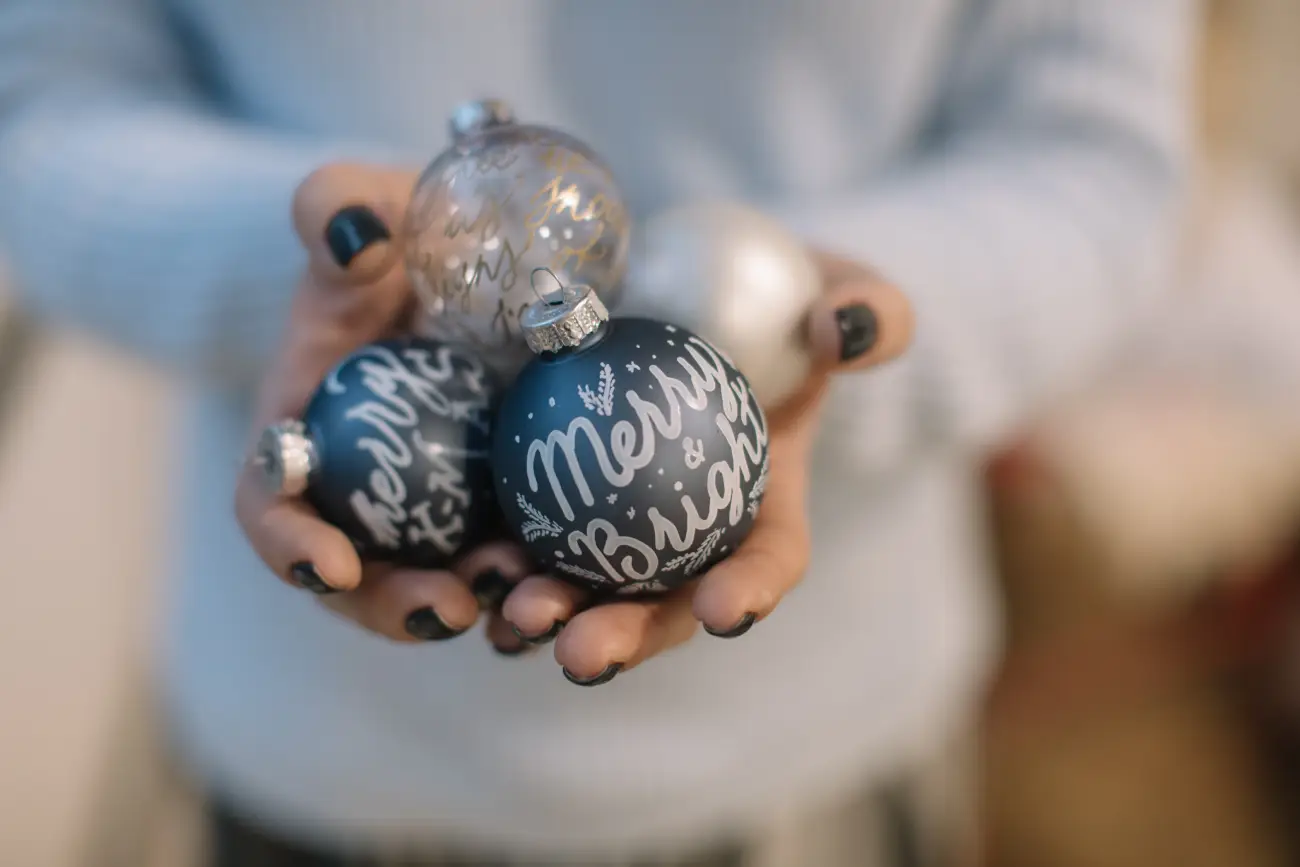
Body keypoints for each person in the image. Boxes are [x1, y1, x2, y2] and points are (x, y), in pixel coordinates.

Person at [0, 2, 1197, 865]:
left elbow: (1096, 152)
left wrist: (797, 338)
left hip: (811, 735)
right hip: (312, 734)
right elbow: (40, 99)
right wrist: (329, 297)